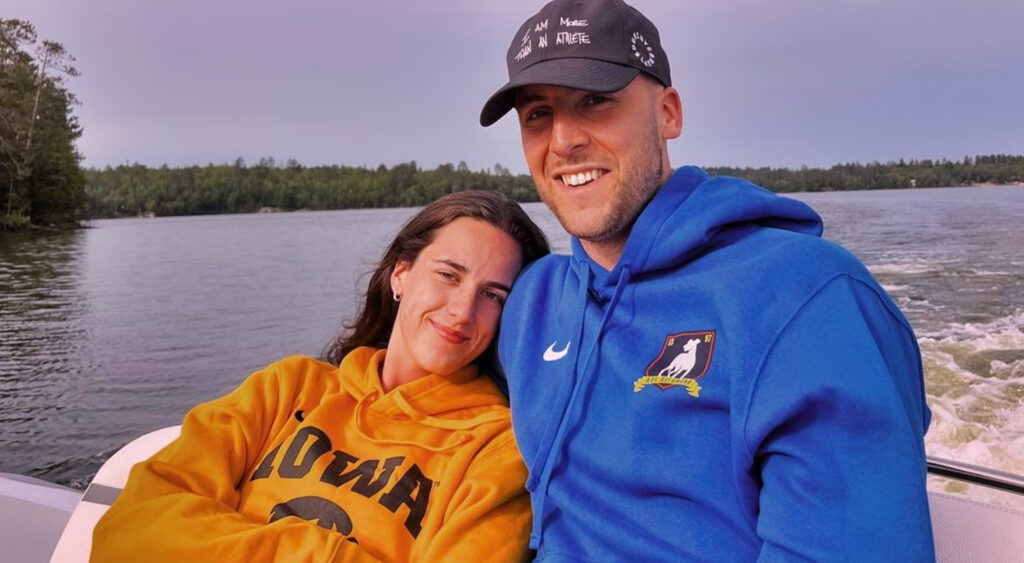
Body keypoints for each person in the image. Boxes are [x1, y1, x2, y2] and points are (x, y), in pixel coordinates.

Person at [481, 0, 935, 560]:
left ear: (669, 113)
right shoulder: (533, 299)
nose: (563, 139)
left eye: (595, 101)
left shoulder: (807, 298)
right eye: (537, 115)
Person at [92, 191, 550, 561]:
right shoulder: (287, 388)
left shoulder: (498, 449)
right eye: (449, 275)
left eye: (493, 295)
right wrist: (313, 550)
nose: (462, 311)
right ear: (401, 275)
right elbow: (131, 529)